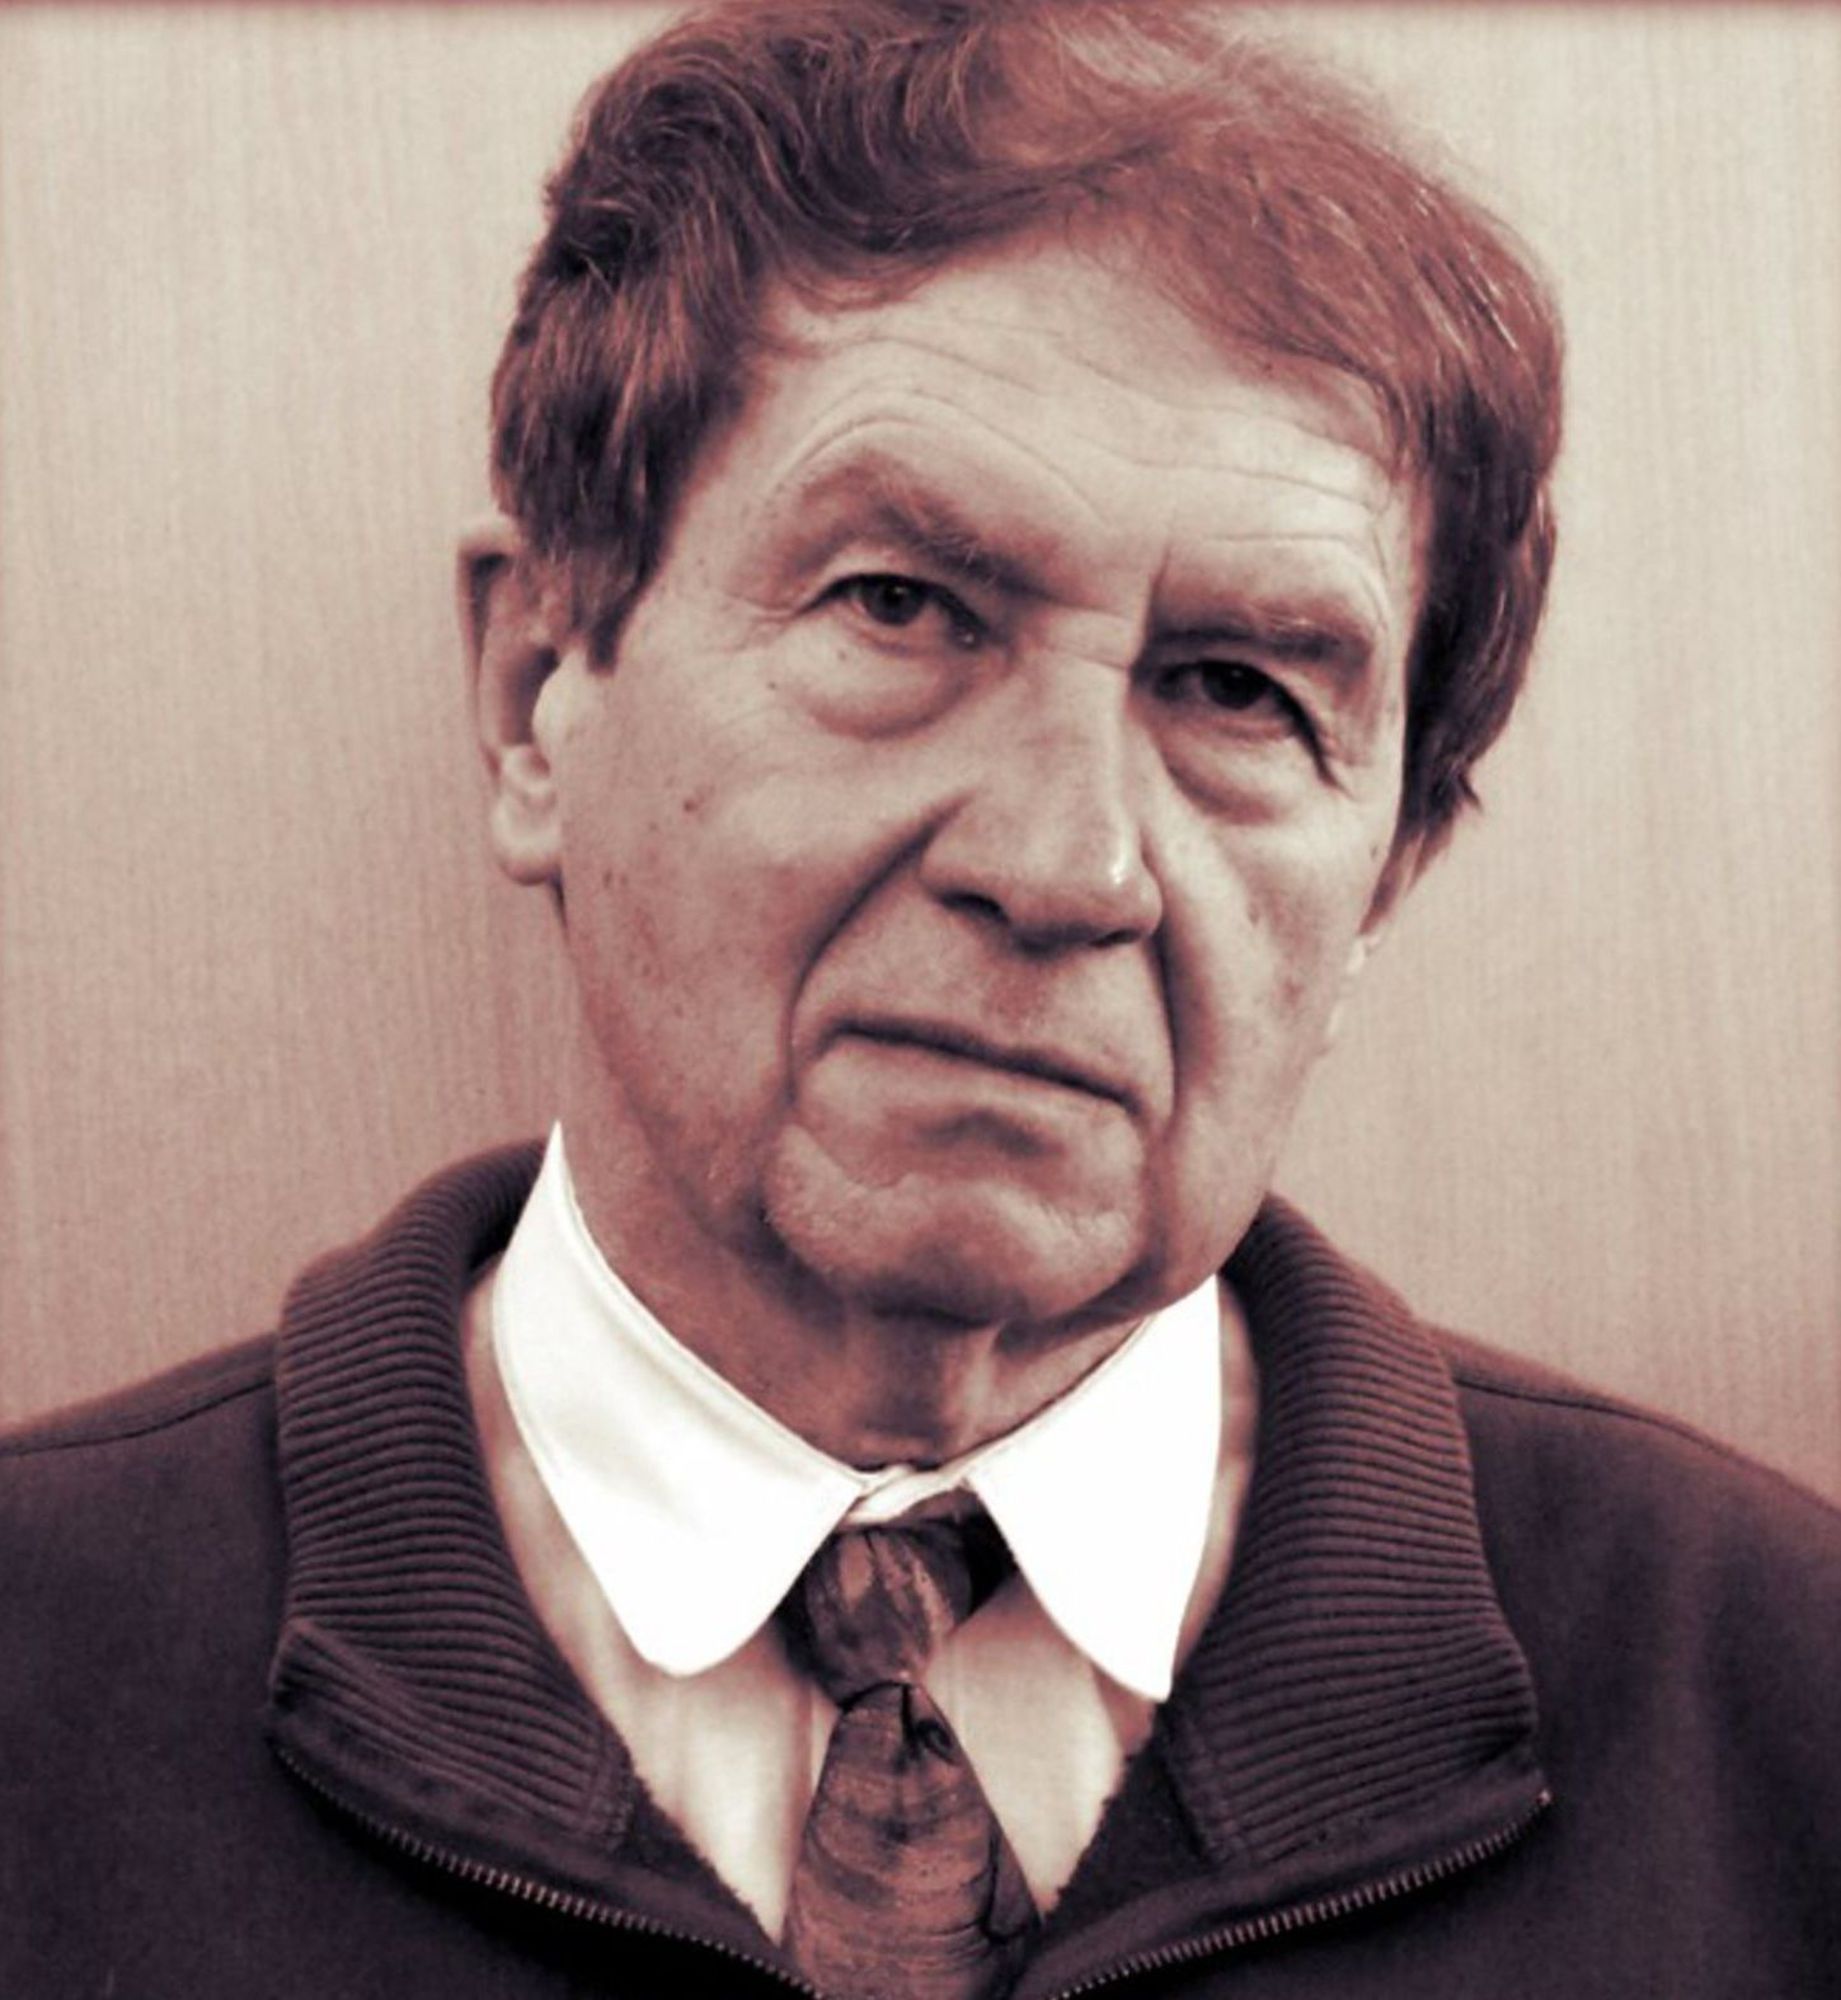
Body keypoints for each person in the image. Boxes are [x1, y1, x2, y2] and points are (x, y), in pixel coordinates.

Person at [2, 1, 1836, 1994]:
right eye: (900, 606)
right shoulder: (39, 1672)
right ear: (538, 698)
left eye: (1238, 692)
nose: (1067, 866)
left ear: (1383, 875)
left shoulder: (1778, 1706)